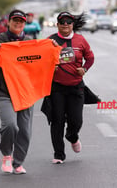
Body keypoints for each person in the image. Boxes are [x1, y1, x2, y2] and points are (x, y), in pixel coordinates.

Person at [0, 9, 36, 175]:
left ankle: (18, 163)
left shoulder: (29, 42)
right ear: (9, 22)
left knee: (25, 130)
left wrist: (52, 49)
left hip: (25, 92)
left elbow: (40, 62)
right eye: (15, 21)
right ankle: (6, 155)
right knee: (10, 125)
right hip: (4, 92)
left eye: (21, 21)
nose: (18, 24)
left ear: (25, 24)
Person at [48, 11, 94, 164]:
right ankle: (59, 154)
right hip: (56, 88)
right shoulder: (50, 41)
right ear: (58, 24)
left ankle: (72, 136)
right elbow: (40, 60)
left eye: (68, 21)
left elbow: (90, 57)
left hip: (76, 87)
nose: (65, 24)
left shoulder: (80, 40)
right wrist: (49, 67)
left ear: (73, 24)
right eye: (62, 22)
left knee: (76, 121)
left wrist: (84, 69)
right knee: (57, 121)